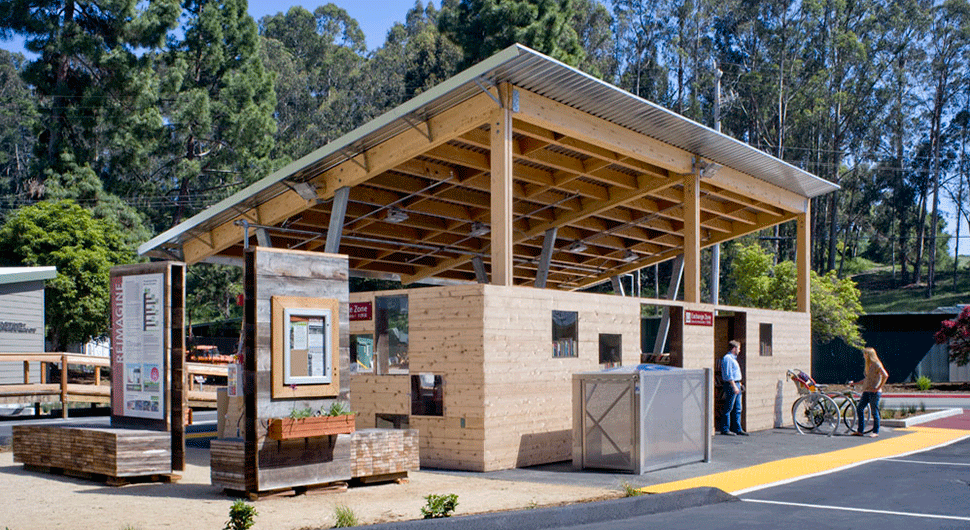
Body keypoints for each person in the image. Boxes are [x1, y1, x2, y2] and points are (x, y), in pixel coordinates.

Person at [852, 346, 889, 437]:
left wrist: (878, 387)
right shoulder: (868, 366)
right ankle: (860, 431)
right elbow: (867, 379)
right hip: (866, 391)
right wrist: (856, 383)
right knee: (859, 408)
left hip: (874, 392)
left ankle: (875, 432)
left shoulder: (877, 364)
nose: (864, 356)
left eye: (865, 354)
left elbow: (885, 375)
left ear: (869, 355)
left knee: (874, 411)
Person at [719, 340, 747, 436]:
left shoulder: (733, 358)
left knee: (738, 407)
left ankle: (737, 428)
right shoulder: (727, 358)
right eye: (738, 348)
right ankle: (725, 428)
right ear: (734, 348)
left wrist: (740, 384)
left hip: (737, 383)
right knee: (729, 407)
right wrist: (734, 385)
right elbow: (728, 374)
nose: (739, 350)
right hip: (732, 385)